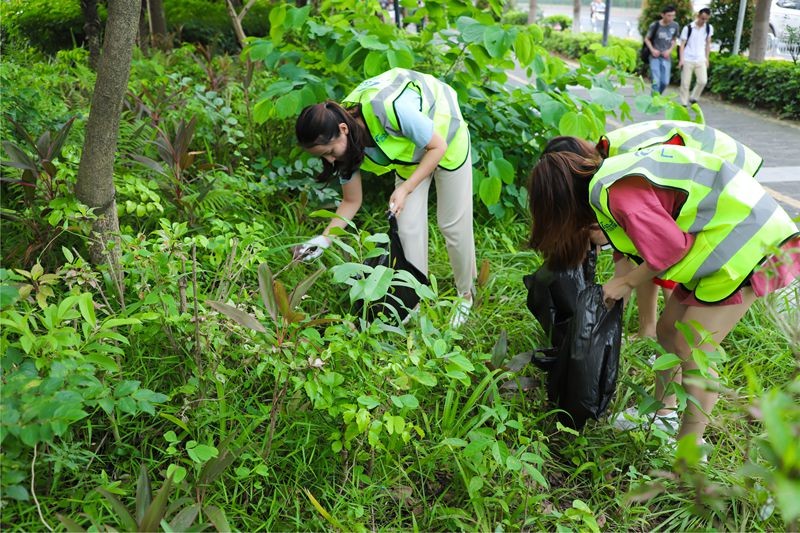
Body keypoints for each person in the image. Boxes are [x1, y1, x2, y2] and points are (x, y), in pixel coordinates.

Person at [527, 137, 799, 447]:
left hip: (750, 246)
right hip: (719, 243)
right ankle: (664, 412)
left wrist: (625, 282)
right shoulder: (608, 182)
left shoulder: (616, 195)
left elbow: (670, 248)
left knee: (695, 349)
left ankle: (689, 451)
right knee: (668, 331)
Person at [294, 68, 477, 327]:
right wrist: (324, 239)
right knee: (407, 230)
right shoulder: (342, 145)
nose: (330, 160)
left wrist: (405, 188)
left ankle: (465, 296)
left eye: (330, 151)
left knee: (452, 226)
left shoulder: (389, 110)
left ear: (344, 129)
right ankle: (413, 302)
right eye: (323, 156)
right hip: (411, 156)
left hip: (446, 140)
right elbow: (351, 201)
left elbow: (437, 147)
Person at [599, 119, 762, 338]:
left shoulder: (620, 178)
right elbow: (634, 254)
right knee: (646, 250)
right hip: (687, 172)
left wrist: (625, 284)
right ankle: (650, 329)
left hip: (725, 166)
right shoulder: (607, 176)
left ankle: (675, 325)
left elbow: (671, 250)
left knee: (672, 252)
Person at [678, 8, 713, 107]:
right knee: (685, 83)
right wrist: (681, 59)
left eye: (706, 19)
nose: (704, 21)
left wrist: (707, 58)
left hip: (700, 58)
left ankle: (694, 97)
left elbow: (708, 44)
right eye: (702, 18)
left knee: (703, 81)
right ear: (698, 16)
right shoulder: (688, 28)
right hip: (688, 58)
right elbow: (682, 45)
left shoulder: (708, 28)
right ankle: (684, 102)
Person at [644, 5, 680, 95]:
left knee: (665, 82)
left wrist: (669, 50)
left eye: (673, 15)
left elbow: (674, 39)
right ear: (662, 15)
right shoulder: (655, 25)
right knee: (656, 81)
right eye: (669, 15)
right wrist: (652, 50)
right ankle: (654, 101)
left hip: (666, 57)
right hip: (654, 56)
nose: (671, 18)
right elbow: (647, 39)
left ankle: (657, 97)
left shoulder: (675, 26)